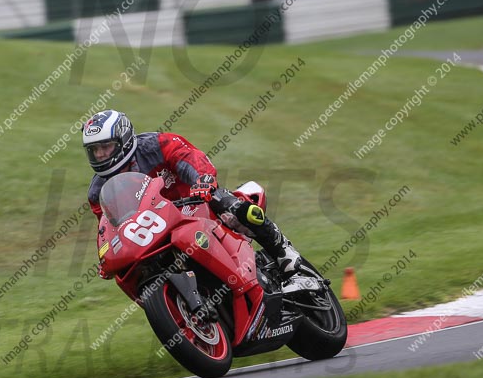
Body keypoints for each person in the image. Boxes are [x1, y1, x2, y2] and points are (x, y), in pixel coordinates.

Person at [83, 109, 322, 289]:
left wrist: (203, 180)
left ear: (123, 141)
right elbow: (110, 227)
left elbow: (189, 156)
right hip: (156, 231)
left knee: (230, 206)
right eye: (95, 150)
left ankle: (287, 256)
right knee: (134, 274)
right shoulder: (97, 192)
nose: (101, 154)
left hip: (194, 204)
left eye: (105, 146)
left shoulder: (155, 145)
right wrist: (107, 255)